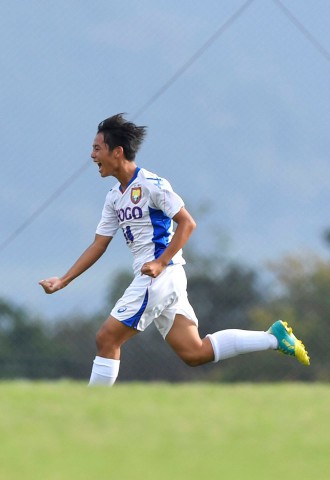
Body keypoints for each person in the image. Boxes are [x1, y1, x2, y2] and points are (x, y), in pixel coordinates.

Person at [39, 113, 309, 386]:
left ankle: (89, 414)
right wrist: (64, 279)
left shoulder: (153, 185)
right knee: (195, 352)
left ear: (117, 152)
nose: (92, 155)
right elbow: (99, 244)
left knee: (106, 338)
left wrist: (160, 262)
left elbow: (187, 223)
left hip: (160, 275)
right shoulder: (114, 197)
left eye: (97, 148)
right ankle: (274, 338)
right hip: (163, 277)